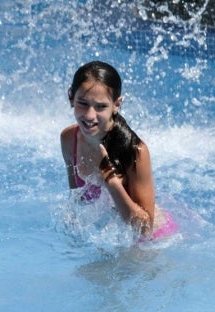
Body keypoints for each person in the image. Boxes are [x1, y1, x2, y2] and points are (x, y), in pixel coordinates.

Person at [60, 61, 176, 240]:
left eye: (101, 106)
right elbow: (77, 198)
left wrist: (111, 181)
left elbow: (144, 229)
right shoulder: (69, 139)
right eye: (82, 103)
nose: (90, 115)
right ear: (71, 97)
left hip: (152, 242)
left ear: (117, 104)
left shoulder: (135, 151)